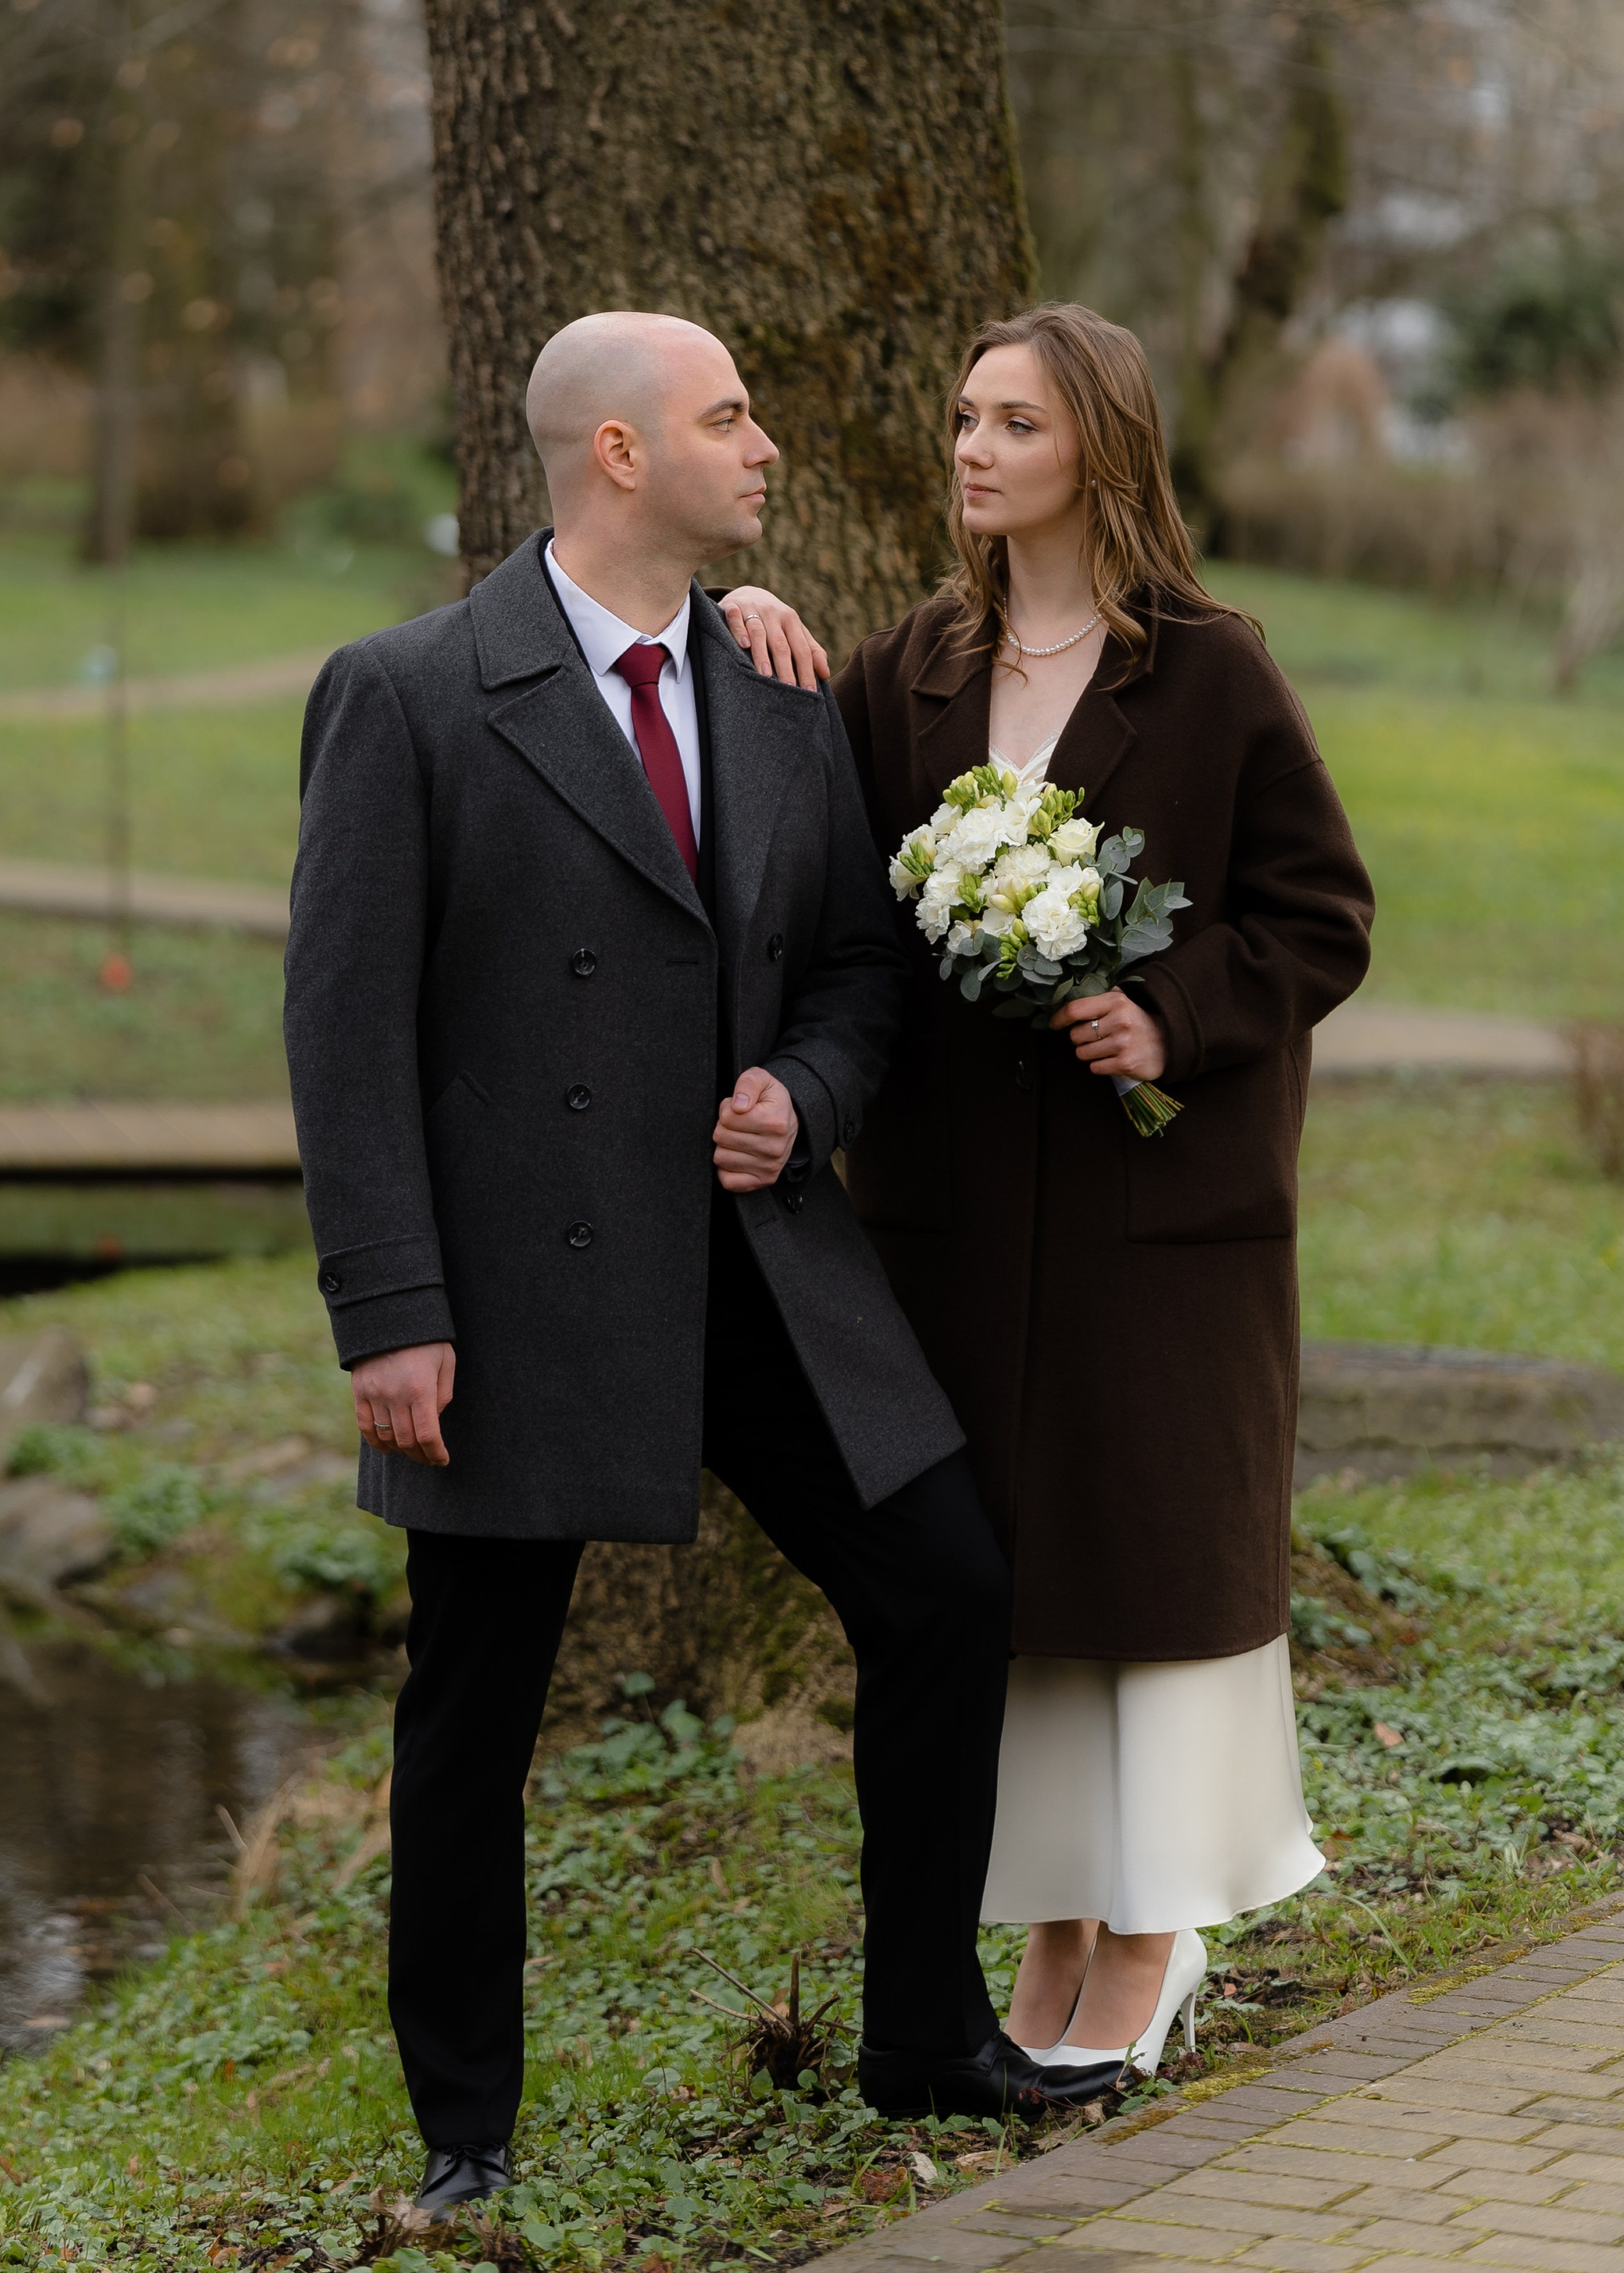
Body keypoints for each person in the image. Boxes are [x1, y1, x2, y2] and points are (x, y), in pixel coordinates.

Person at [282, 310, 1123, 2218]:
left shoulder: (772, 692)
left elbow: (852, 965)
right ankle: (465, 2137)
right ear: (614, 454)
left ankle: (919, 2029)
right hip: (506, 1305)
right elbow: (340, 1032)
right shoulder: (408, 692)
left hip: (756, 1265)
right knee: (472, 1711)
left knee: (944, 1588)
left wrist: (799, 1092)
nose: (764, 446)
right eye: (727, 416)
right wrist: (389, 1312)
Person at [724, 301, 1373, 2075]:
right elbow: (810, 858)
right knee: (999, 1580)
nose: (971, 447)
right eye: (960, 417)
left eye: (1009, 419)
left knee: (1148, 1562)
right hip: (949, 1223)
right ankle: (1048, 1934)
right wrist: (741, 634)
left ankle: (1149, 1932)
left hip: (1156, 1232)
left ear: (1095, 441)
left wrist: (1168, 1017)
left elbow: (1320, 917)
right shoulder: (903, 670)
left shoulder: (1211, 670)